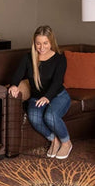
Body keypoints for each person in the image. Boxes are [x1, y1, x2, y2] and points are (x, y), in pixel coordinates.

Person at [8, 25, 72, 159]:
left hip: (58, 96)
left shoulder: (60, 59)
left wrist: (47, 97)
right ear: (34, 43)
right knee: (34, 117)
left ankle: (66, 143)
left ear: (51, 42)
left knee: (50, 116)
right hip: (37, 98)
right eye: (38, 43)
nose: (41, 47)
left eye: (45, 43)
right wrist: (14, 85)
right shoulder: (28, 58)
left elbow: (57, 82)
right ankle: (54, 140)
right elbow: (17, 75)